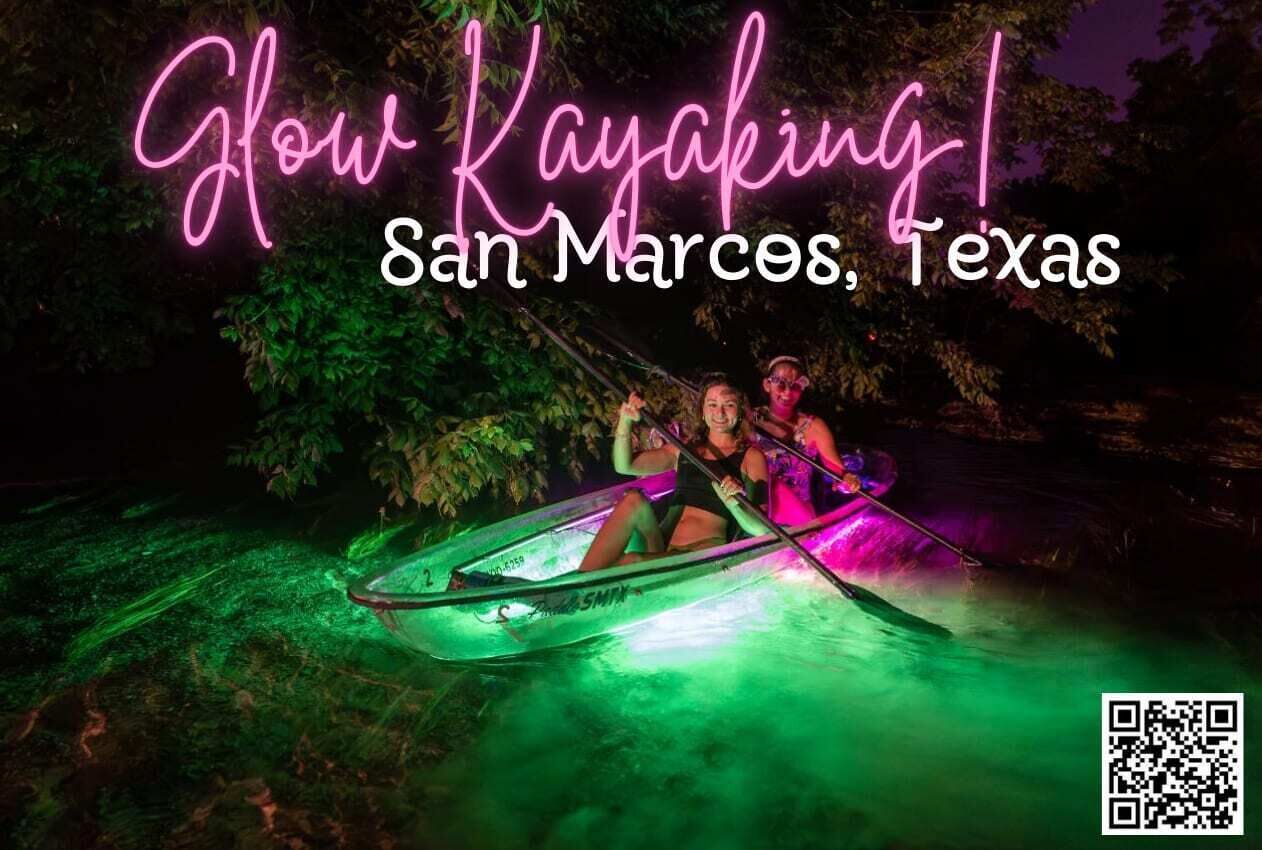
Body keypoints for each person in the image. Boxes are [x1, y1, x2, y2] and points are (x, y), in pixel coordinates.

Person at [576, 377, 770, 572]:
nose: (719, 412)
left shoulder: (751, 456)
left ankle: (589, 581)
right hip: (663, 547)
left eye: (728, 405)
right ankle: (582, 577)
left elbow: (762, 529)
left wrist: (734, 504)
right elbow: (624, 466)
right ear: (702, 411)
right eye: (712, 404)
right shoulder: (684, 450)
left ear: (739, 411)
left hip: (700, 555)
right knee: (633, 499)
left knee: (632, 560)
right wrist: (625, 422)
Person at [751, 355, 861, 525]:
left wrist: (847, 481)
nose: (788, 392)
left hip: (800, 518)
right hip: (759, 517)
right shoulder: (749, 421)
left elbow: (837, 472)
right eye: (780, 383)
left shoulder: (813, 426)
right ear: (767, 385)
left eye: (795, 385)